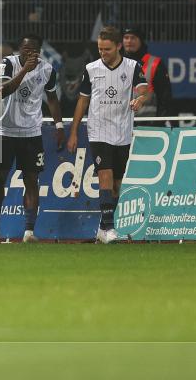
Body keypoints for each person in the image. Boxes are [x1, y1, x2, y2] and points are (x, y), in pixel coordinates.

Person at [67, 26, 148, 244]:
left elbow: (143, 89)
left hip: (122, 130)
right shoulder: (91, 69)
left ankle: (103, 229)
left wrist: (140, 100)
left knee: (117, 183)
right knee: (105, 174)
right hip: (99, 130)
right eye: (100, 49)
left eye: (107, 49)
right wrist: (74, 131)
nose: (103, 52)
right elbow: (83, 100)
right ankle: (111, 228)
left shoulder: (133, 67)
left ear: (119, 46)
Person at [0, 35, 64, 243]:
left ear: (38, 51)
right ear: (19, 50)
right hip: (5, 131)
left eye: (33, 51)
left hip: (31, 133)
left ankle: (29, 232)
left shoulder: (47, 69)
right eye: (24, 50)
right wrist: (24, 70)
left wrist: (59, 126)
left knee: (31, 180)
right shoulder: (8, 63)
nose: (28, 54)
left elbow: (52, 98)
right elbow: (4, 90)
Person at [122, 27, 173, 120]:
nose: (129, 41)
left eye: (133, 38)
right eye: (126, 37)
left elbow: (164, 98)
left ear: (141, 40)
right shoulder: (117, 63)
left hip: (147, 124)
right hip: (121, 124)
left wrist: (159, 123)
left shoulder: (155, 63)